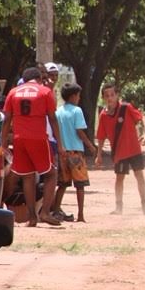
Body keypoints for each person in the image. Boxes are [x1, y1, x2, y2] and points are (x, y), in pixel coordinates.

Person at [0, 66, 65, 227]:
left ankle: (32, 217)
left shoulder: (13, 92)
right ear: (39, 78)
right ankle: (45, 212)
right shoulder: (44, 92)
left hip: (19, 139)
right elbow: (52, 119)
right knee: (51, 174)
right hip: (38, 138)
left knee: (27, 176)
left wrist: (3, 143)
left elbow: (7, 119)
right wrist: (61, 144)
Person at [95, 83, 145, 215]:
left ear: (117, 95)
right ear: (103, 97)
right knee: (119, 178)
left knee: (139, 176)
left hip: (134, 149)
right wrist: (99, 155)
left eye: (112, 95)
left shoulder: (126, 108)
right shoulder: (103, 115)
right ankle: (118, 206)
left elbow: (142, 116)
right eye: (107, 95)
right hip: (119, 152)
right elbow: (101, 137)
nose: (110, 98)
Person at [55, 83, 97, 223]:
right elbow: (80, 132)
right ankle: (80, 215)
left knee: (62, 184)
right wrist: (90, 146)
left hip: (62, 153)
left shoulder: (58, 112)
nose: (79, 98)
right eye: (78, 95)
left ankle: (56, 210)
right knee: (80, 185)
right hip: (76, 153)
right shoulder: (77, 111)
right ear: (73, 96)